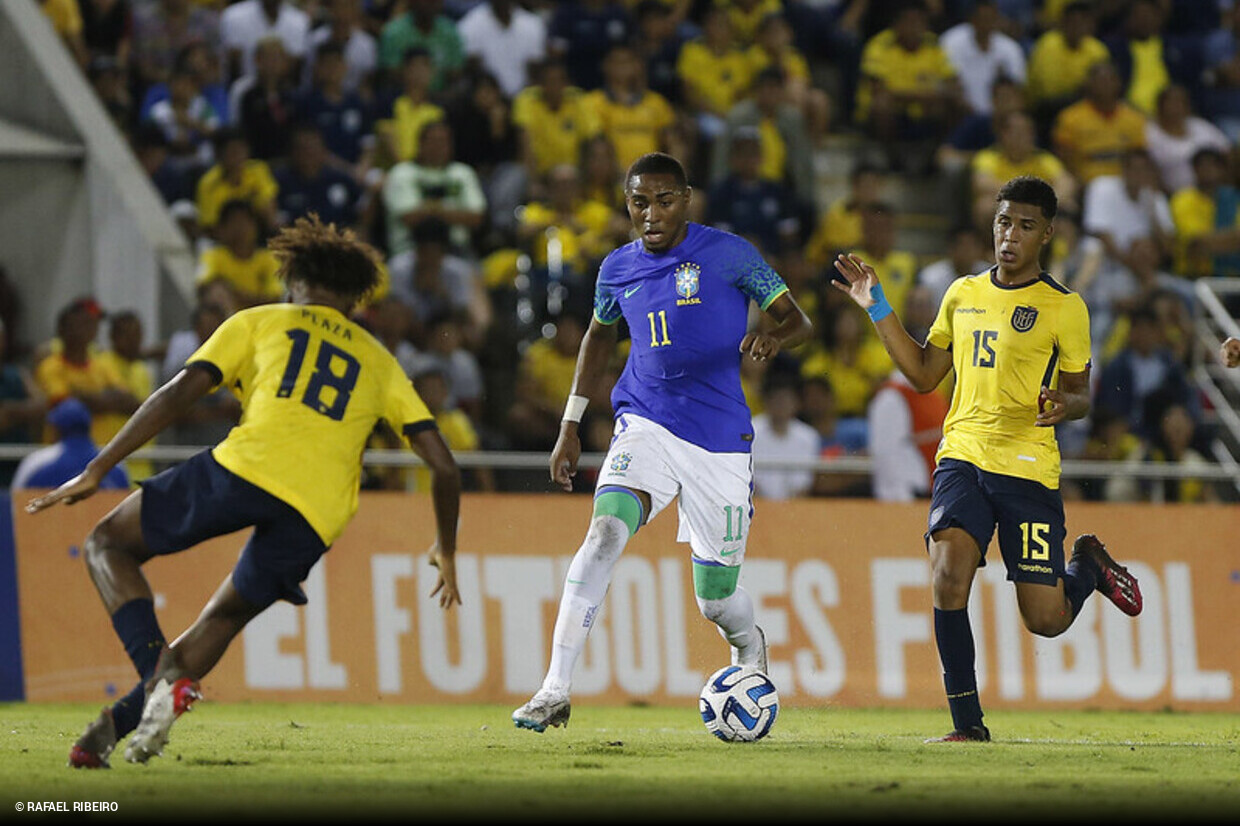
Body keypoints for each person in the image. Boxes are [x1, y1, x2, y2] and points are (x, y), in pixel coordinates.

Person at [29, 216, 462, 768]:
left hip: (247, 467)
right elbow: (445, 468)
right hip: (319, 512)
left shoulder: (259, 320)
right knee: (225, 617)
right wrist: (446, 548)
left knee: (106, 544)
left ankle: (157, 678)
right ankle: (109, 733)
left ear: (296, 278)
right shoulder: (379, 360)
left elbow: (180, 392)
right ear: (354, 299)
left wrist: (99, 466)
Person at [832, 176, 1144, 742]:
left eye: (1025, 226)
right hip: (963, 457)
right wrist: (875, 306)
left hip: (1027, 468)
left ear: (1046, 234)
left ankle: (1088, 567)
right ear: (993, 224)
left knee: (1044, 620)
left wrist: (1062, 404)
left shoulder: (1064, 308)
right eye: (1004, 222)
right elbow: (926, 374)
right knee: (948, 578)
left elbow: (1081, 394)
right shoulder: (962, 293)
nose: (1010, 235)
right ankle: (968, 726)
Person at [511, 152, 812, 732]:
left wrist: (773, 338)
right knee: (603, 533)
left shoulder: (730, 254)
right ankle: (554, 688)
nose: (651, 214)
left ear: (687, 200)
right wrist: (571, 424)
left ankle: (750, 647)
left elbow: (798, 320)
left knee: (715, 600)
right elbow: (598, 341)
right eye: (639, 202)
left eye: (664, 200)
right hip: (644, 421)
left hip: (719, 441)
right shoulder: (615, 269)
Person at [11, 398, 129, 491]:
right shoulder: (115, 462)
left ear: (55, 429)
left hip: (51, 521)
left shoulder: (37, 461)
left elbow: (16, 503)